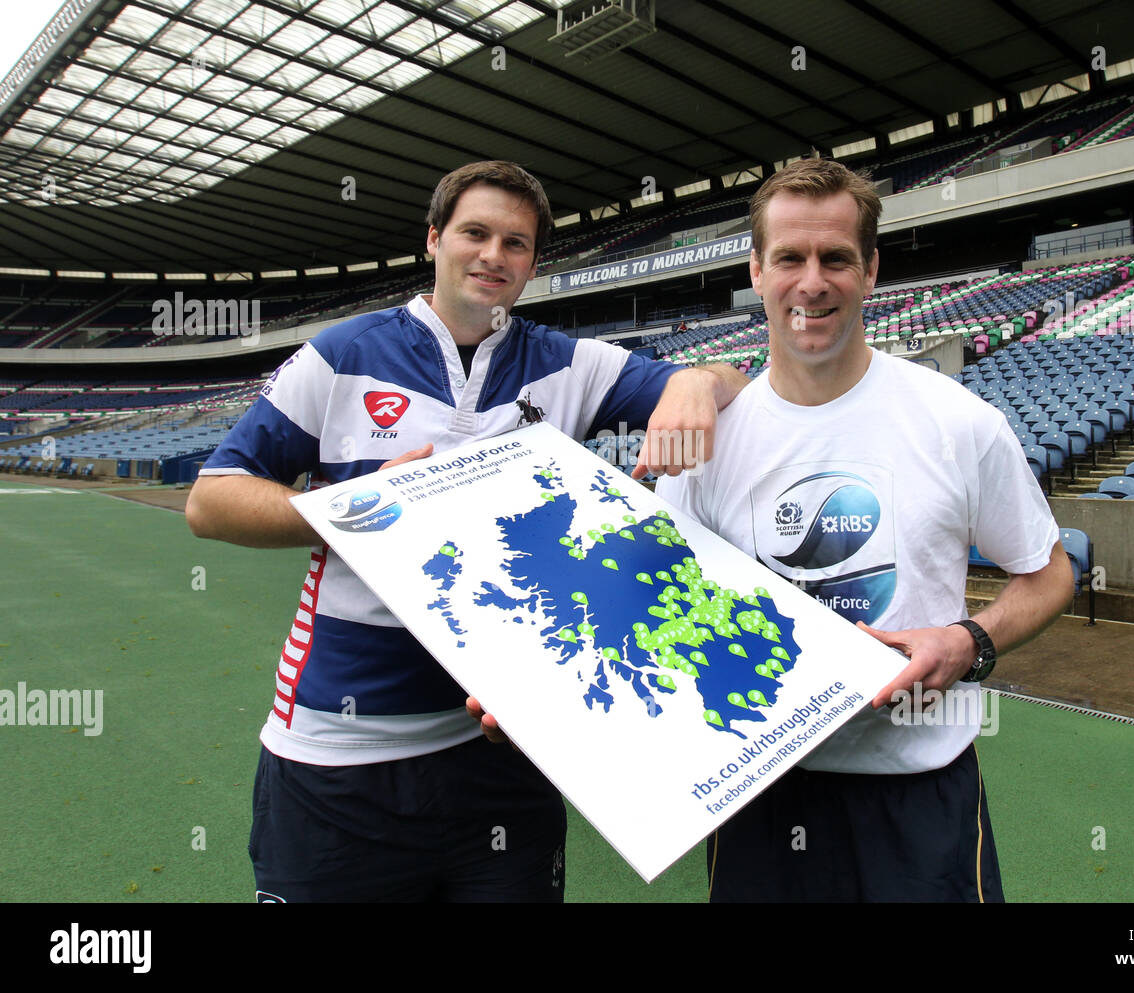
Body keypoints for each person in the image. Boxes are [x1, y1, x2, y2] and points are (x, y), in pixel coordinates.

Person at [186, 160, 747, 902]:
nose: (493, 255)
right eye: (475, 233)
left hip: (503, 755)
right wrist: (356, 509)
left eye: (516, 243)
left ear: (533, 264)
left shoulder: (567, 363)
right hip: (338, 751)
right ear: (434, 239)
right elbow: (211, 499)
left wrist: (695, 384)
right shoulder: (342, 354)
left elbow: (732, 376)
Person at [654, 158, 1075, 902]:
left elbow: (1049, 574)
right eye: (789, 257)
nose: (811, 282)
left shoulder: (958, 422)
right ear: (757, 270)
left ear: (871, 269)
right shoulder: (705, 442)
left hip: (918, 797)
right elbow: (660, 606)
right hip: (758, 794)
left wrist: (970, 641)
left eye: (835, 258)